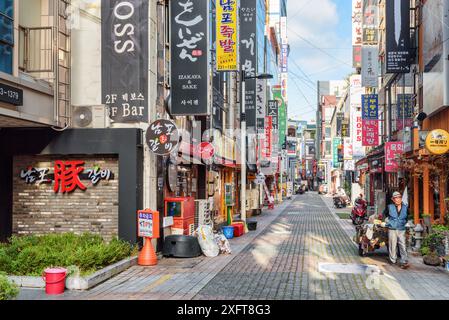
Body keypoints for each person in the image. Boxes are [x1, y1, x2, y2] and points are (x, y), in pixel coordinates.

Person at [382, 192, 409, 269]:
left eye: (399, 197)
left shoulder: (405, 207)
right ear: (393, 199)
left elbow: (407, 217)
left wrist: (404, 223)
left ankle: (404, 260)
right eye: (396, 198)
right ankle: (393, 260)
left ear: (401, 198)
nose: (398, 199)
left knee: (403, 244)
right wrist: (386, 222)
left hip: (401, 228)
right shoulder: (389, 207)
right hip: (392, 228)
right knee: (392, 244)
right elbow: (384, 215)